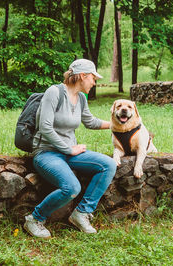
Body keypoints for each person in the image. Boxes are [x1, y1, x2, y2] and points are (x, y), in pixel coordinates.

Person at [23, 59, 117, 238]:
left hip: (69, 152)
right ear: (82, 76)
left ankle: (81, 214)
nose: (94, 82)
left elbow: (90, 122)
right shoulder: (54, 92)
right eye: (93, 78)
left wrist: (119, 124)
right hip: (46, 153)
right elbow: (45, 127)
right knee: (71, 187)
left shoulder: (81, 98)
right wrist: (68, 149)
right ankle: (34, 219)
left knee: (108, 165)